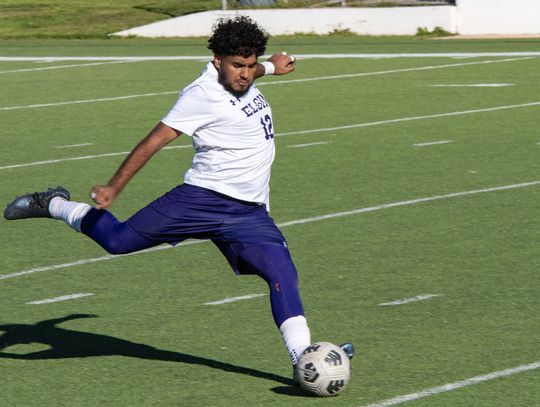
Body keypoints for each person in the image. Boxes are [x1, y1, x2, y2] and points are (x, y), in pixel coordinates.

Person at [4, 16, 353, 379]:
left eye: (251, 66)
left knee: (282, 273)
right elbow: (152, 142)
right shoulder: (200, 95)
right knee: (117, 241)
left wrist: (271, 67)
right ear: (217, 61)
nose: (246, 74)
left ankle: (303, 362)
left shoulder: (241, 75)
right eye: (238, 66)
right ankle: (55, 204)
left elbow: (248, 71)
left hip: (249, 213)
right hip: (199, 201)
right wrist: (113, 187)